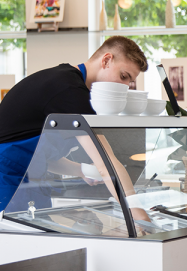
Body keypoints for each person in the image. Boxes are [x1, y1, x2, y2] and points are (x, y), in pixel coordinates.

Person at [0, 36, 148, 211]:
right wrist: (138, 214)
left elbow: (41, 158)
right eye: (123, 76)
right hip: (8, 185)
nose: (124, 86)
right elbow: (106, 165)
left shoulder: (66, 82)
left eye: (129, 82)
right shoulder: (70, 91)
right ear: (106, 60)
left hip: (28, 183)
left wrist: (82, 170)